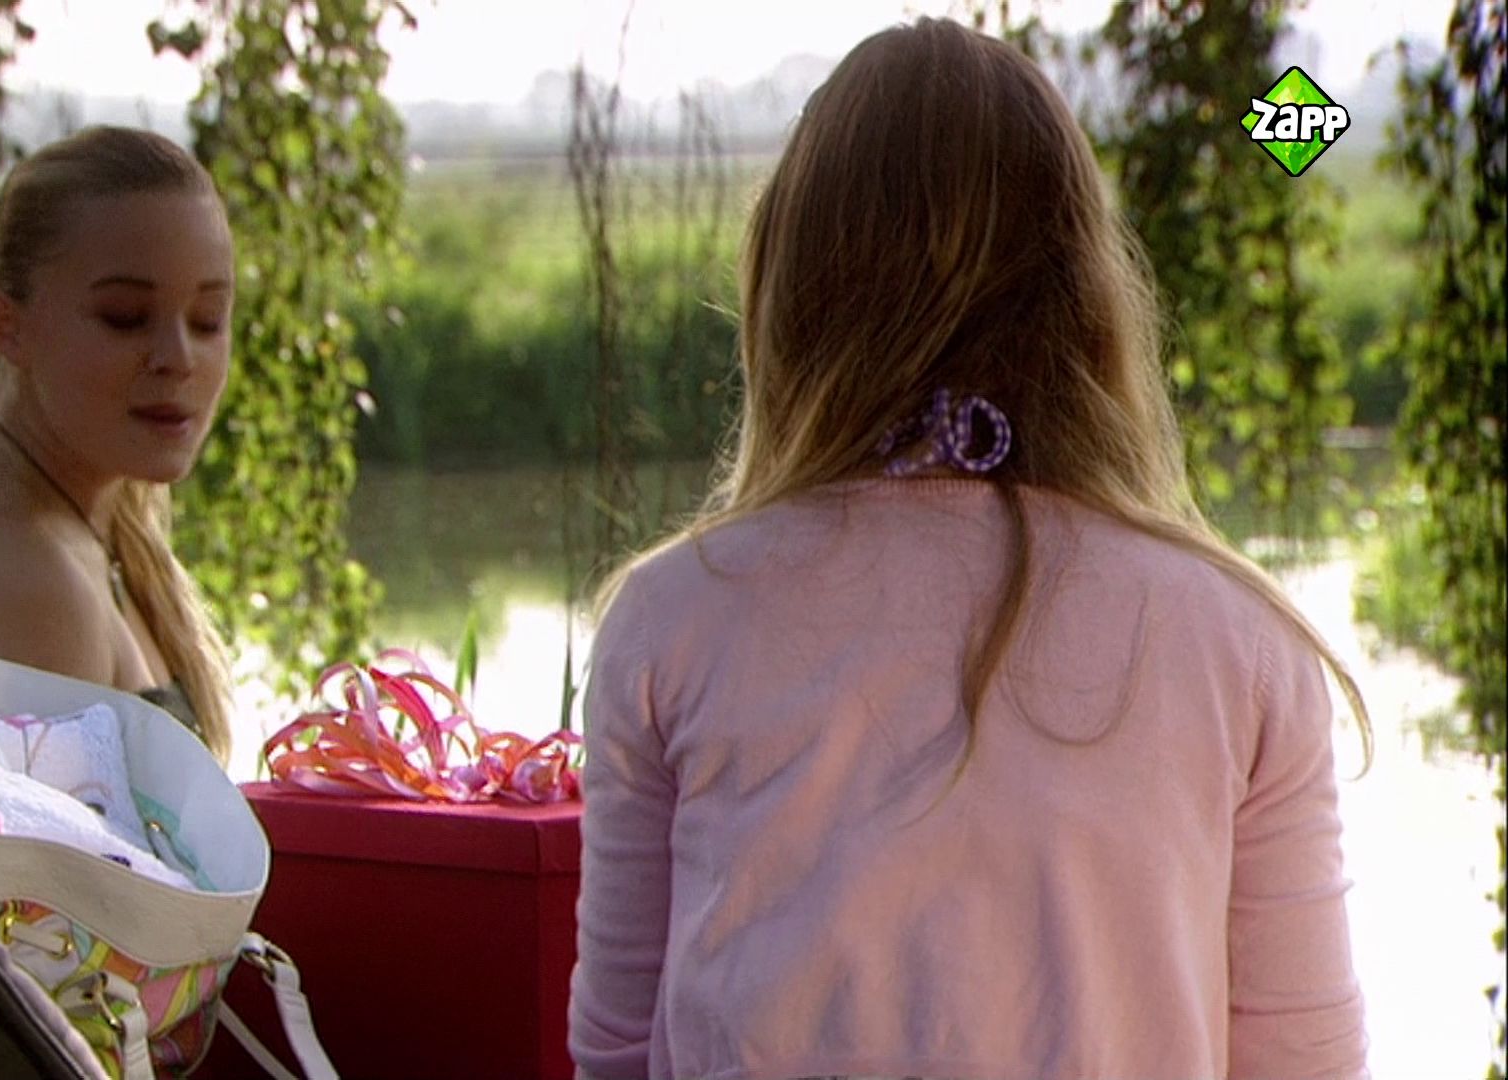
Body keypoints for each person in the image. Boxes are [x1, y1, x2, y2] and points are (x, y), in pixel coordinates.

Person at [568, 18, 1370, 1080]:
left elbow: (615, 1052)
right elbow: (1308, 1060)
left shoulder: (672, 618)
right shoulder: (1243, 640)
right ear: (1084, 292)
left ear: (790, 286)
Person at [0, 125, 237, 763]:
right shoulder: (26, 587)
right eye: (125, 318)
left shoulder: (74, 511)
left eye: (207, 320)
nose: (179, 358)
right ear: (9, 327)